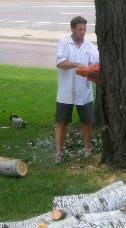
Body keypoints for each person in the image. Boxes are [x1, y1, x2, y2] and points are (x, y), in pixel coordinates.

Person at [55, 15, 99, 164]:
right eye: (80, 29)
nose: (83, 32)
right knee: (62, 122)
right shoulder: (64, 43)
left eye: (85, 29)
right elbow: (60, 63)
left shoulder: (90, 46)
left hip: (84, 92)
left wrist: (92, 71)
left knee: (86, 122)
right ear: (72, 29)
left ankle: (87, 151)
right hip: (65, 92)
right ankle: (59, 154)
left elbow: (97, 65)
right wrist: (77, 64)